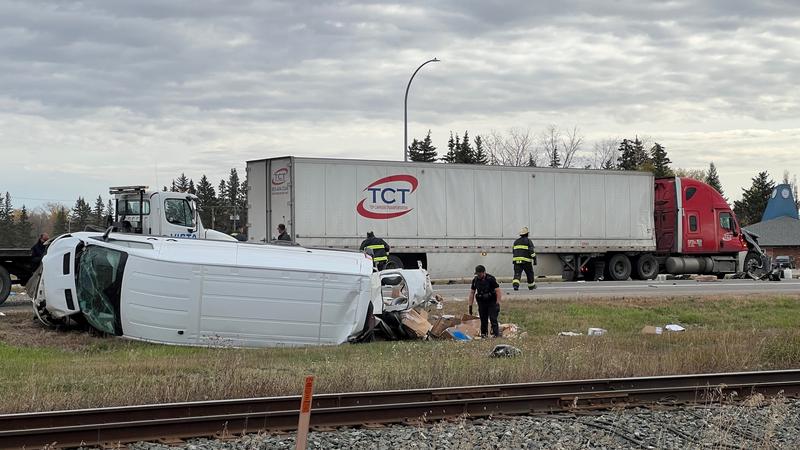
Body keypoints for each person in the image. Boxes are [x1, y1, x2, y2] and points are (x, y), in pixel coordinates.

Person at [468, 265, 503, 338]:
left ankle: (496, 335)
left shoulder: (491, 279)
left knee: (493, 319)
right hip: (482, 303)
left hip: (491, 302)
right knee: (483, 319)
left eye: (480, 274)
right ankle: (484, 335)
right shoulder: (475, 280)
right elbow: (472, 293)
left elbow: (498, 291)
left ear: (484, 272)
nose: (478, 275)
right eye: (477, 274)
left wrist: (498, 303)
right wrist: (470, 306)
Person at [512, 226, 537, 290]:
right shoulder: (528, 241)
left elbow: (513, 251)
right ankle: (531, 286)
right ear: (527, 234)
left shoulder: (516, 241)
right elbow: (531, 251)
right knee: (529, 273)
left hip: (516, 261)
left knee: (517, 274)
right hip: (526, 262)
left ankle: (515, 285)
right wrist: (534, 258)